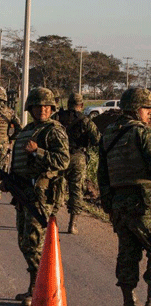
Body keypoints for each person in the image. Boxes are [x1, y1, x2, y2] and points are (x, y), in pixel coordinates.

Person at [10, 87, 69, 306]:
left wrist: (38, 152)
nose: (43, 109)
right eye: (38, 105)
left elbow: (63, 161)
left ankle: (38, 289)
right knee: (24, 241)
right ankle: (34, 286)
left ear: (52, 108)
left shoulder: (53, 130)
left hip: (41, 195)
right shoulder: (28, 130)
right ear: (31, 108)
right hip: (24, 193)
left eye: (46, 106)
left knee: (33, 242)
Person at [98, 87, 151, 306]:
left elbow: (102, 174)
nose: (150, 112)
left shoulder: (108, 135)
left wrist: (109, 204)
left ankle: (128, 298)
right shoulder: (143, 133)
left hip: (119, 206)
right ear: (134, 109)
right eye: (146, 108)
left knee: (128, 253)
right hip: (144, 206)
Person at [52, 92, 100, 234]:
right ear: (81, 105)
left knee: (56, 187)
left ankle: (51, 220)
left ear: (68, 104)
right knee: (76, 191)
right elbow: (97, 139)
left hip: (59, 157)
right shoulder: (86, 121)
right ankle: (72, 225)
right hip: (78, 157)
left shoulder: (58, 117)